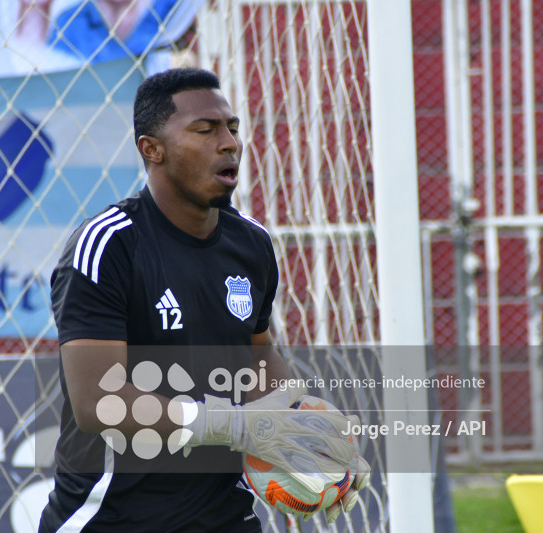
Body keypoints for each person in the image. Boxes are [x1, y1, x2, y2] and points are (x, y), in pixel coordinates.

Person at [39, 67, 368, 533]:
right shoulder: (107, 246)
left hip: (223, 516)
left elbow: (257, 353)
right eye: (205, 129)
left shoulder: (251, 243)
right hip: (112, 519)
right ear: (151, 149)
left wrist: (302, 436)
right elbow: (98, 401)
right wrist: (233, 426)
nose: (230, 142)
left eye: (232, 127)